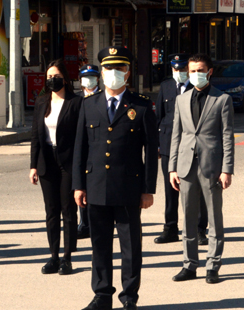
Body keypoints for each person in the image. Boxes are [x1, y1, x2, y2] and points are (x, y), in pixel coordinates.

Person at [72, 46, 158, 310]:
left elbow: (151, 153)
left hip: (129, 188)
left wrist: (148, 189)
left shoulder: (141, 106)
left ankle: (129, 296)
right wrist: (78, 186)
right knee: (99, 244)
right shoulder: (88, 105)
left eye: (119, 68)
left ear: (127, 73)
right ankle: (102, 294)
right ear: (101, 72)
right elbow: (80, 148)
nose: (113, 73)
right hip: (96, 186)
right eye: (108, 68)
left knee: (131, 246)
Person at [167, 53, 235, 284]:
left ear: (210, 71)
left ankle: (213, 265)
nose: (196, 74)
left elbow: (227, 136)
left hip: (212, 166)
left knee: (214, 218)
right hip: (185, 166)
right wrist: (172, 168)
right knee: (187, 219)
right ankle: (189, 265)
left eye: (200, 70)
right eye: (192, 70)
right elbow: (176, 135)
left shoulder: (222, 99)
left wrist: (227, 169)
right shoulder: (181, 99)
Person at [29, 59, 83, 275]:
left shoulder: (76, 102)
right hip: (46, 161)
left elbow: (81, 137)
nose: (52, 80)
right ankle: (53, 256)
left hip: (68, 161)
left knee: (68, 210)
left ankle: (67, 258)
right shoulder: (42, 102)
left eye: (56, 76)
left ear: (65, 78)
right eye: (49, 77)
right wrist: (33, 165)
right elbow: (35, 136)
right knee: (51, 211)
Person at [153, 53, 209, 245]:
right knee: (171, 190)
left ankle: (199, 229)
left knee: (197, 189)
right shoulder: (166, 86)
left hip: (192, 146)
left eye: (181, 69)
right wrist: (158, 145)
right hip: (169, 145)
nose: (178, 73)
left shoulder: (197, 85)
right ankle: (170, 228)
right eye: (174, 69)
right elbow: (159, 117)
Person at [74, 64, 101, 239]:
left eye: (92, 77)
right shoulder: (76, 100)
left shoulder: (103, 98)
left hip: (97, 149)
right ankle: (84, 224)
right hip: (80, 149)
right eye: (85, 77)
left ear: (98, 79)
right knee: (80, 187)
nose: (89, 80)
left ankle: (97, 223)